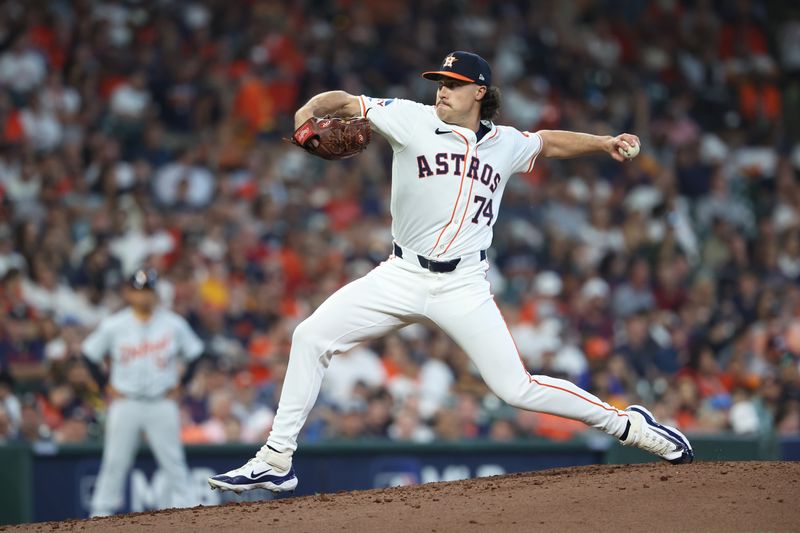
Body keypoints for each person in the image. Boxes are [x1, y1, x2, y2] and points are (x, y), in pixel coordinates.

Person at [208, 51, 693, 494]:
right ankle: (276, 457)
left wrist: (603, 142)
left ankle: (630, 426)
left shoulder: (505, 144)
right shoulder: (410, 118)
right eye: (440, 81)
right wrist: (307, 111)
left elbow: (547, 143)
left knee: (515, 388)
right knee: (310, 336)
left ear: (478, 92)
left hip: (463, 285)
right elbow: (345, 101)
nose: (442, 89)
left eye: (454, 83)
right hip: (400, 275)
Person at [83, 268, 204, 516]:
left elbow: (196, 353)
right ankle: (100, 515)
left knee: (174, 464)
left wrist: (183, 383)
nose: (144, 296)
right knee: (115, 462)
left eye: (148, 291)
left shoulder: (173, 323)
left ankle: (190, 516)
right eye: (139, 291)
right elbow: (88, 353)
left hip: (161, 403)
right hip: (126, 402)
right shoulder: (114, 325)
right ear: (128, 293)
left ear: (155, 293)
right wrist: (104, 383)